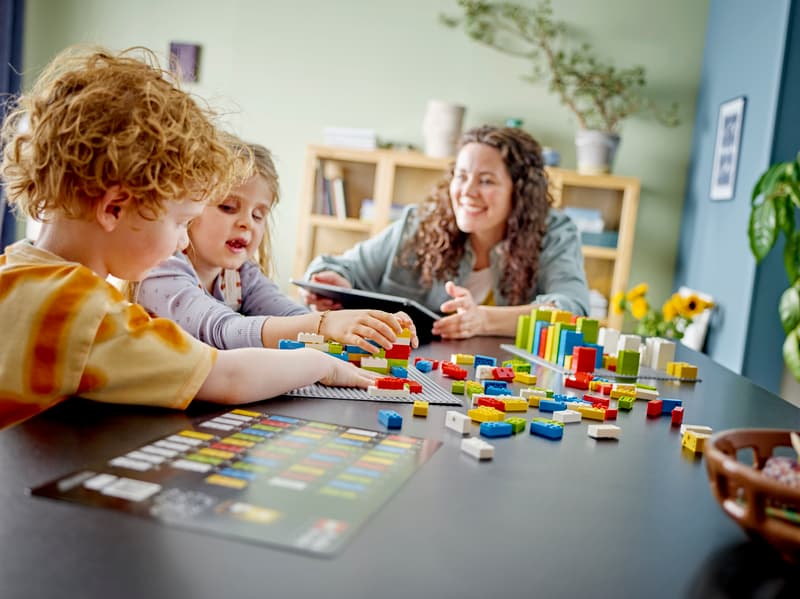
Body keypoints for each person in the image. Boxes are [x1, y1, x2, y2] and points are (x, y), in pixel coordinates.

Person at [0, 46, 377, 431]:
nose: (184, 241)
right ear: (115, 208)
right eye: (180, 222)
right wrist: (322, 363)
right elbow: (226, 378)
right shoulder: (82, 310)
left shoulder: (13, 271)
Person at [303, 125, 590, 339]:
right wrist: (334, 282)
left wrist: (484, 320)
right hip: (411, 372)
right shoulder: (421, 223)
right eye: (462, 176)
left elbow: (571, 311)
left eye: (486, 181)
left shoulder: (554, 233)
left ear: (521, 192)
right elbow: (338, 268)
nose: (467, 191)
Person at [134, 141, 417, 354]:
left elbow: (291, 316)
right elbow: (222, 331)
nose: (247, 223)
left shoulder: (241, 274)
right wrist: (326, 324)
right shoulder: (162, 268)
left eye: (259, 215)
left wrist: (364, 328)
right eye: (229, 207)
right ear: (191, 207)